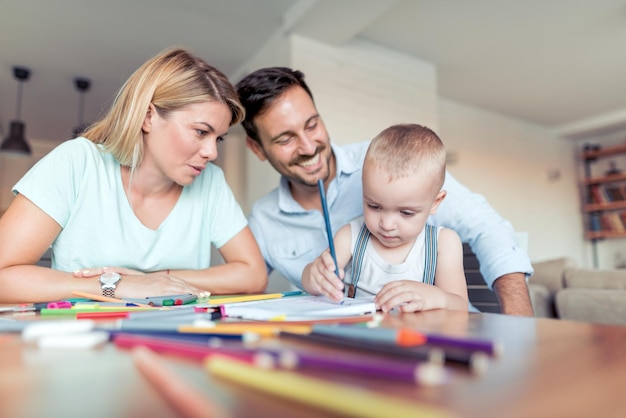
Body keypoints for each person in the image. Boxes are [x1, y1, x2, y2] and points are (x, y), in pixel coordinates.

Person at [236, 66, 534, 316]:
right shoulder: (264, 220)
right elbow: (247, 283)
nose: (309, 146)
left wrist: (520, 325)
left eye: (312, 125)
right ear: (257, 148)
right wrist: (310, 276)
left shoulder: (381, 163)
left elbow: (486, 227)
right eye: (285, 139)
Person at [0, 47, 267, 303]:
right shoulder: (77, 162)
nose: (212, 153)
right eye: (200, 132)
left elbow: (253, 275)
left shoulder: (211, 183)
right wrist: (115, 286)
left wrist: (158, 280)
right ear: (148, 117)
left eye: (218, 139)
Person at [302, 124, 468, 313]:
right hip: (361, 337)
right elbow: (312, 279)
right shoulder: (350, 235)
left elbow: (460, 306)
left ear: (435, 203)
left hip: (417, 339)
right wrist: (313, 277)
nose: (387, 225)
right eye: (374, 206)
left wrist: (437, 297)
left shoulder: (443, 243)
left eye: (406, 213)